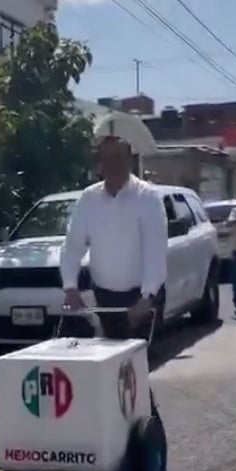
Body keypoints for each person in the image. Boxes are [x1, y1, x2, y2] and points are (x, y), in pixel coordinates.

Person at [59, 136, 168, 420]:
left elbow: (155, 252)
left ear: (129, 160)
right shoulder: (89, 199)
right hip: (107, 296)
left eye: (118, 158)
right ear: (100, 163)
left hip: (142, 298)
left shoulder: (147, 197)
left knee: (136, 369)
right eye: (107, 159)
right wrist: (70, 287)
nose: (113, 165)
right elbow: (72, 246)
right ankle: (117, 432)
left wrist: (147, 297)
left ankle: (149, 435)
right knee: (112, 370)